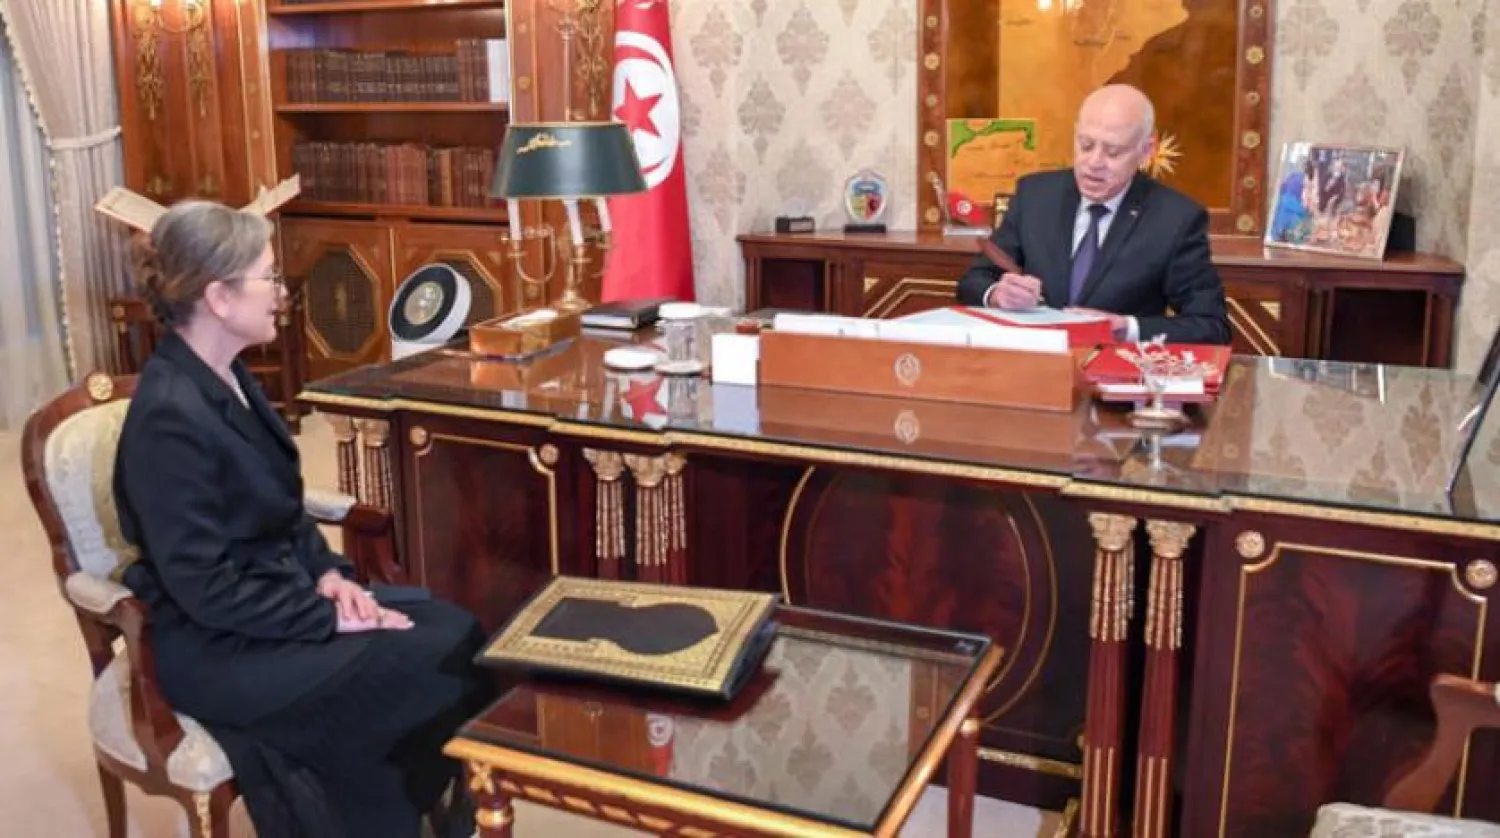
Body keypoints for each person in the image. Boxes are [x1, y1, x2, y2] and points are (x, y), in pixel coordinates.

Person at [112, 200, 492, 838]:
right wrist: (327, 617)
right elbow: (205, 588)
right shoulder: (169, 417)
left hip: (276, 600)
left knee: (460, 633)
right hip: (216, 644)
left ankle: (402, 815)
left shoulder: (227, 374)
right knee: (431, 662)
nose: (281, 293)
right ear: (219, 298)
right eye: (268, 277)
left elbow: (282, 512)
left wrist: (333, 577)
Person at [956, 84, 1231, 345]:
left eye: (1113, 152)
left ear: (1145, 151)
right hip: (1037, 364)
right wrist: (997, 294)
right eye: (1085, 145)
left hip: (1116, 368)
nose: (1094, 162)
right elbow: (974, 282)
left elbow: (1210, 325)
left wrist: (1126, 328)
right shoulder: (1035, 196)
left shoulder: (1176, 219)